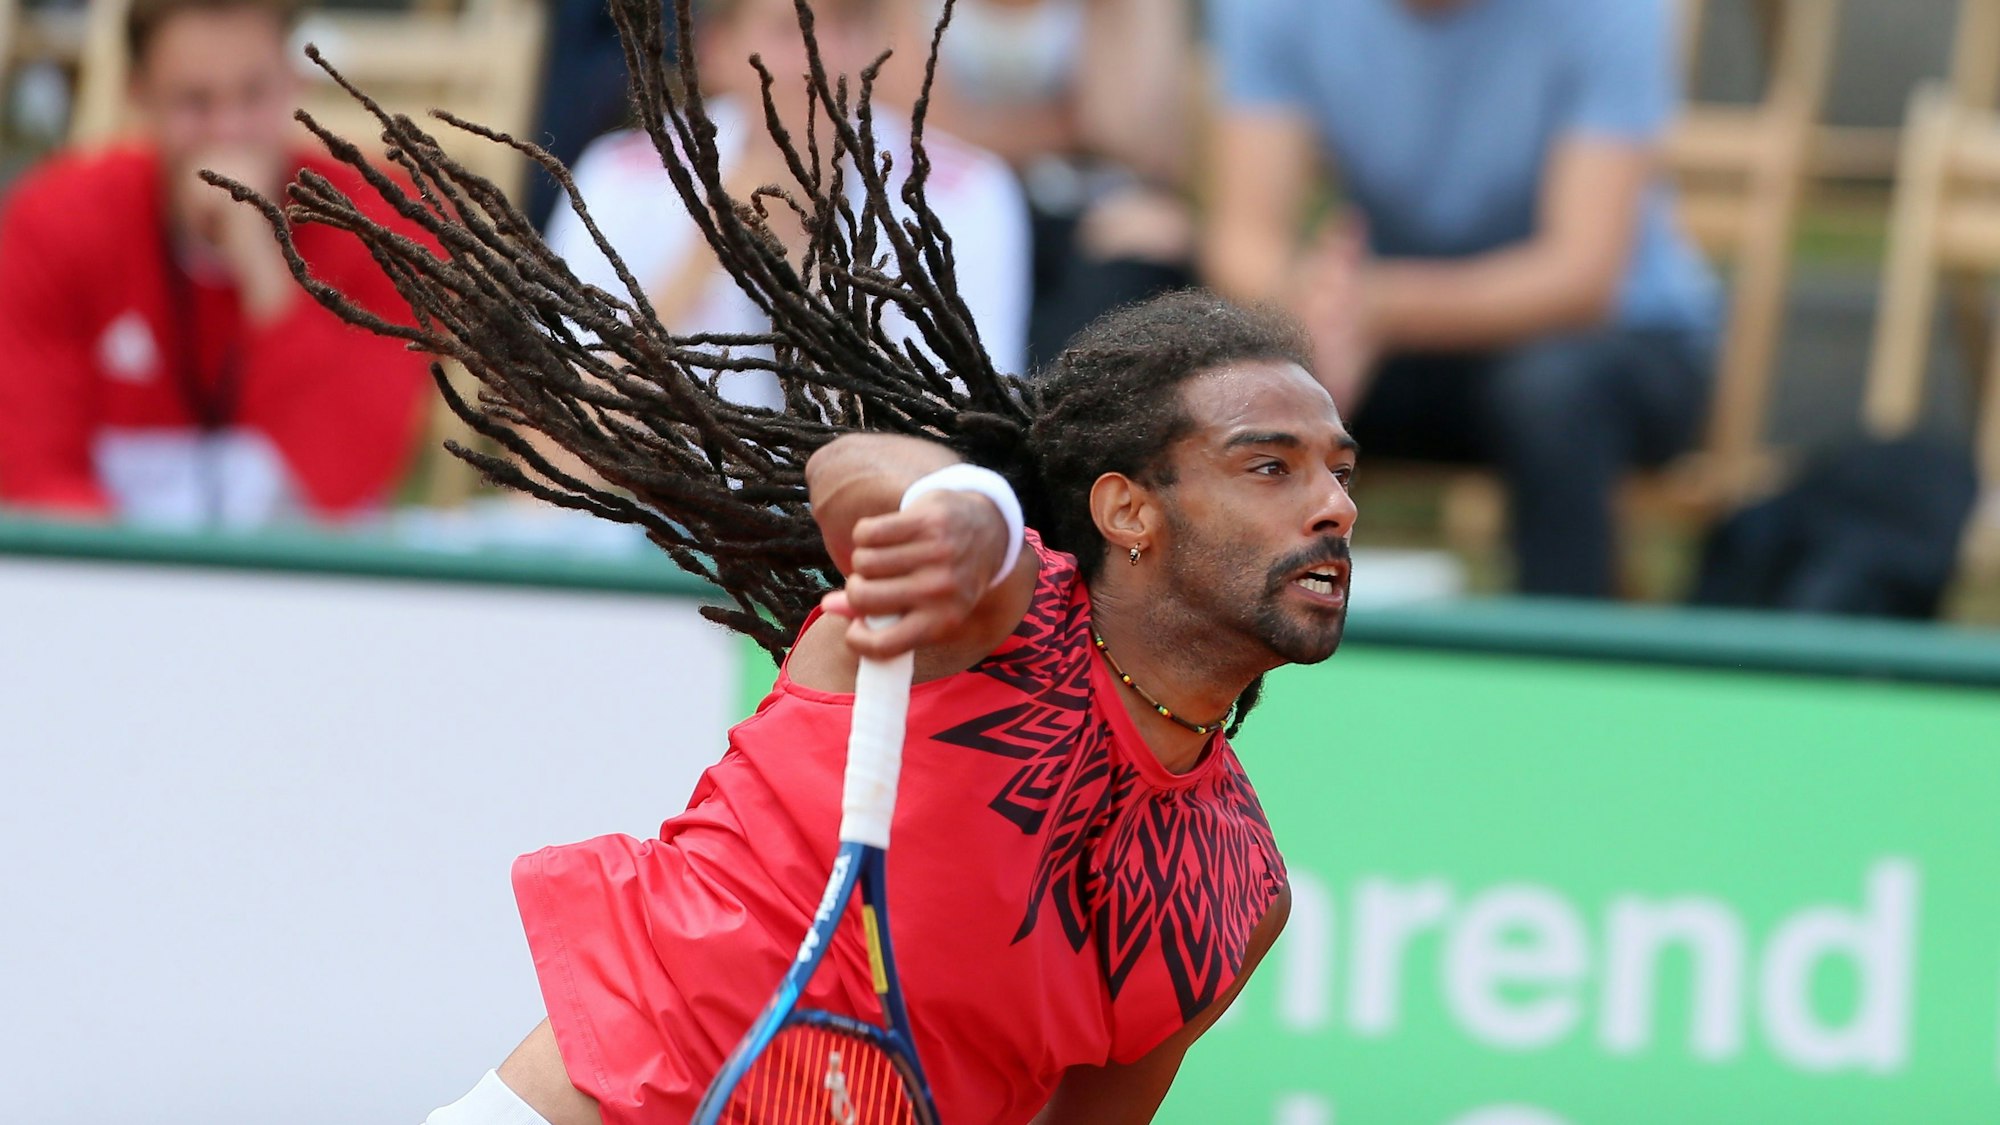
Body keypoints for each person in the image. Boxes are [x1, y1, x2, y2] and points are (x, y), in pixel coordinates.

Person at [230, 4, 1356, 1122]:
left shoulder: (1236, 893)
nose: (1332, 507)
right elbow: (853, 469)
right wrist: (960, 505)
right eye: (1270, 467)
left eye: (1338, 472)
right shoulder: (982, 614)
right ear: (1125, 512)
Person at [1203, 0, 1721, 598]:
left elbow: (1583, 277)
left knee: (1552, 393)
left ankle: (1569, 664)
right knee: (1234, 384)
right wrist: (1316, 317)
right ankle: (1222, 638)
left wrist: (1373, 307)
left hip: (1618, 343)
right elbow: (1244, 245)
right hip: (1387, 342)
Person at [0, 0, 431, 527]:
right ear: (139, 96)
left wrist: (264, 269)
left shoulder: (383, 227)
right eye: (194, 102)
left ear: (294, 85)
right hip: (112, 588)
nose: (228, 130)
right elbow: (31, 478)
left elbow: (347, 482)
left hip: (303, 587)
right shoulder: (55, 224)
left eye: (254, 94)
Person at [544, 0, 1032, 400]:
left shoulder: (966, 191)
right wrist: (711, 251)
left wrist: (815, 275)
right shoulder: (623, 178)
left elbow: (970, 440)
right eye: (787, 30)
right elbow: (558, 426)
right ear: (715, 51)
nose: (820, 59)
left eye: (845, 26)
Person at [896, 0, 1198, 365]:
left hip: (1088, 214)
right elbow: (918, 134)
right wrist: (1070, 126)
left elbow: (1133, 136)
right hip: (956, 207)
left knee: (1142, 256)